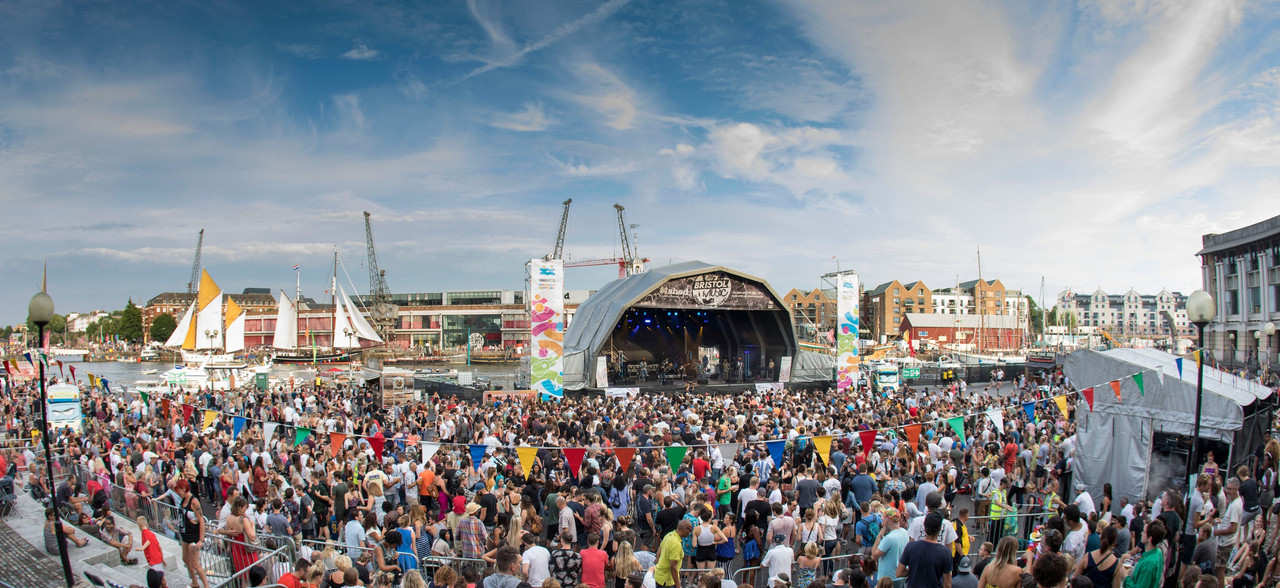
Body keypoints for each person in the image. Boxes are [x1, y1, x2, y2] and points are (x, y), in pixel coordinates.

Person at [171, 478, 210, 588]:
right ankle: (194, 582)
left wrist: (201, 540)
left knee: (195, 564)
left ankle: (206, 586)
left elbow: (201, 520)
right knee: (185, 559)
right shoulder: (183, 499)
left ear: (184, 489)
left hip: (193, 535)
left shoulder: (194, 502)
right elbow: (171, 485)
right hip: (185, 534)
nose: (177, 493)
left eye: (179, 491)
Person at [896, 511, 953, 588]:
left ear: (924, 528)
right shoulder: (945, 553)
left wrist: (914, 571)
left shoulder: (911, 546)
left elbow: (899, 573)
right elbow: (947, 583)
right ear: (939, 529)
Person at [1118, 519, 1167, 588]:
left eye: (1144, 532)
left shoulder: (1149, 563)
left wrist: (1126, 577)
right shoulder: (1157, 552)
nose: (1141, 533)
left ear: (1150, 538)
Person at [871, 506, 908, 582]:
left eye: (884, 518)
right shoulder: (904, 532)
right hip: (900, 576)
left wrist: (878, 536)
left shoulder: (889, 538)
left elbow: (874, 555)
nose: (882, 520)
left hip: (887, 579)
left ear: (890, 521)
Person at [655, 521, 692, 588]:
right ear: (684, 530)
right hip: (668, 581)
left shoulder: (669, 535)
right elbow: (673, 566)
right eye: (689, 530)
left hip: (659, 576)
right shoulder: (676, 544)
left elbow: (659, 552)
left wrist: (657, 564)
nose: (690, 533)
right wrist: (678, 585)